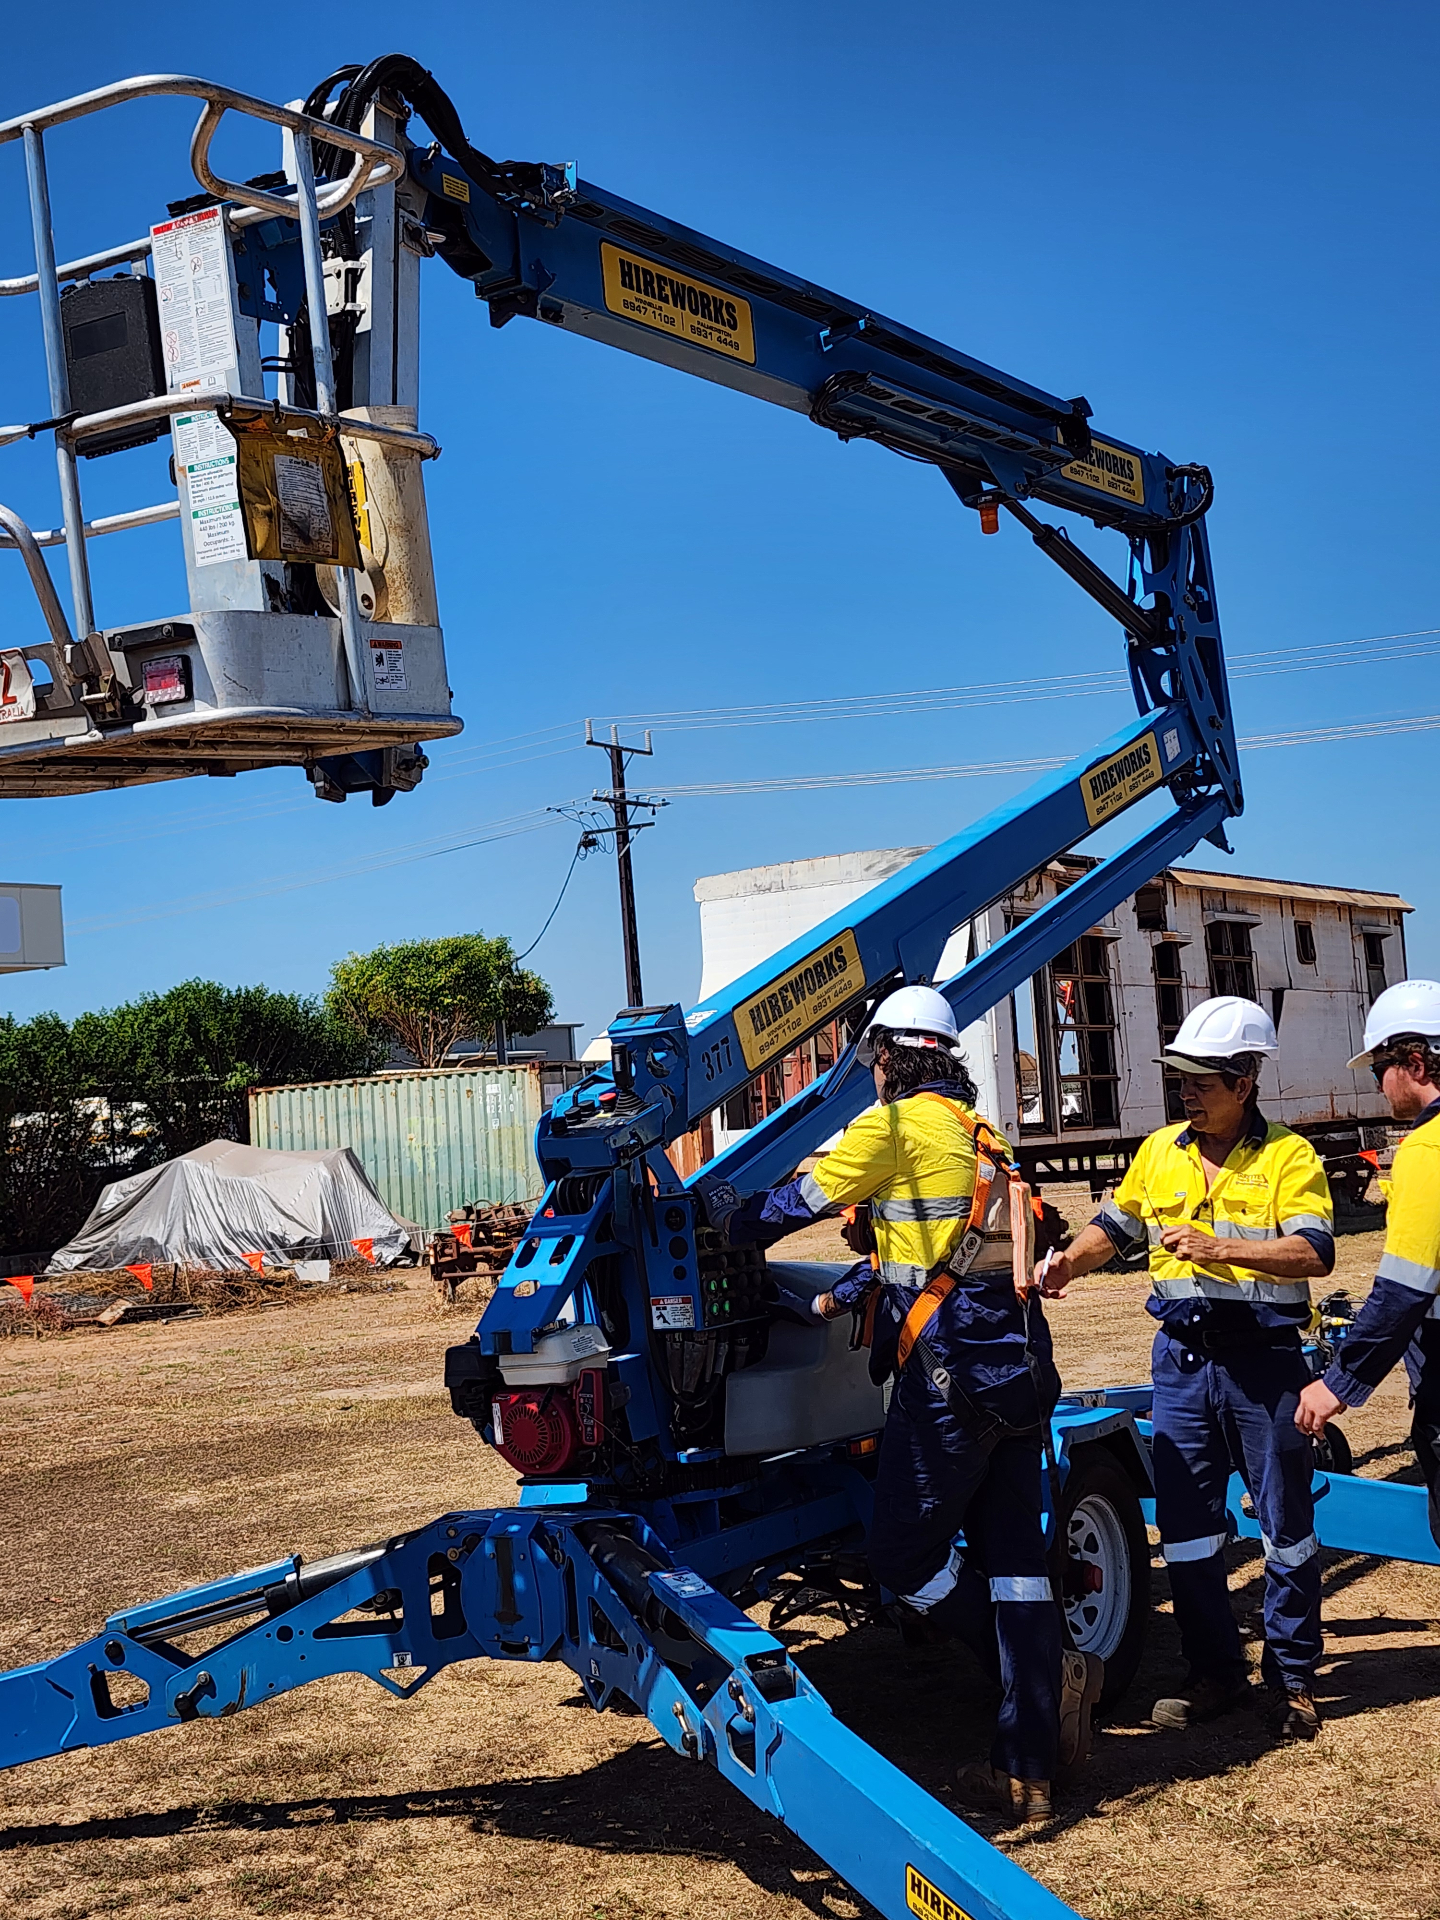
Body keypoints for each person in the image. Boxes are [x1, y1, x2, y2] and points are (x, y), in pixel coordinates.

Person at [704, 984, 1101, 1826]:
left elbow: (785, 1210)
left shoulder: (891, 1127)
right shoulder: (981, 1133)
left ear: (886, 1056)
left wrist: (719, 1215)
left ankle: (1034, 1680)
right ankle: (1026, 1766)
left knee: (902, 1558)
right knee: (1021, 1573)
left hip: (950, 1378)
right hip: (1021, 1372)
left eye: (872, 1058)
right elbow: (937, 1244)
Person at [1037, 996, 1334, 1740]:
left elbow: (1316, 1253)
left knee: (1285, 1526)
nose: (1187, 1092)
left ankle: (1293, 1681)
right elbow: (1116, 1226)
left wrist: (1222, 1248)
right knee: (1189, 1529)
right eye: (1182, 1079)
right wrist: (1067, 1264)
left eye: (1202, 1080)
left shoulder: (1290, 1157)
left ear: (1244, 1080)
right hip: (1180, 1361)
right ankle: (1215, 1676)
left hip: (1263, 1361)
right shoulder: (1160, 1149)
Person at [1296, 981, 1440, 1548]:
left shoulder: (1427, 1151)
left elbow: (1405, 1290)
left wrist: (1339, 1383)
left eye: (1380, 1066)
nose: (1378, 1084)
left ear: (1414, 1061)